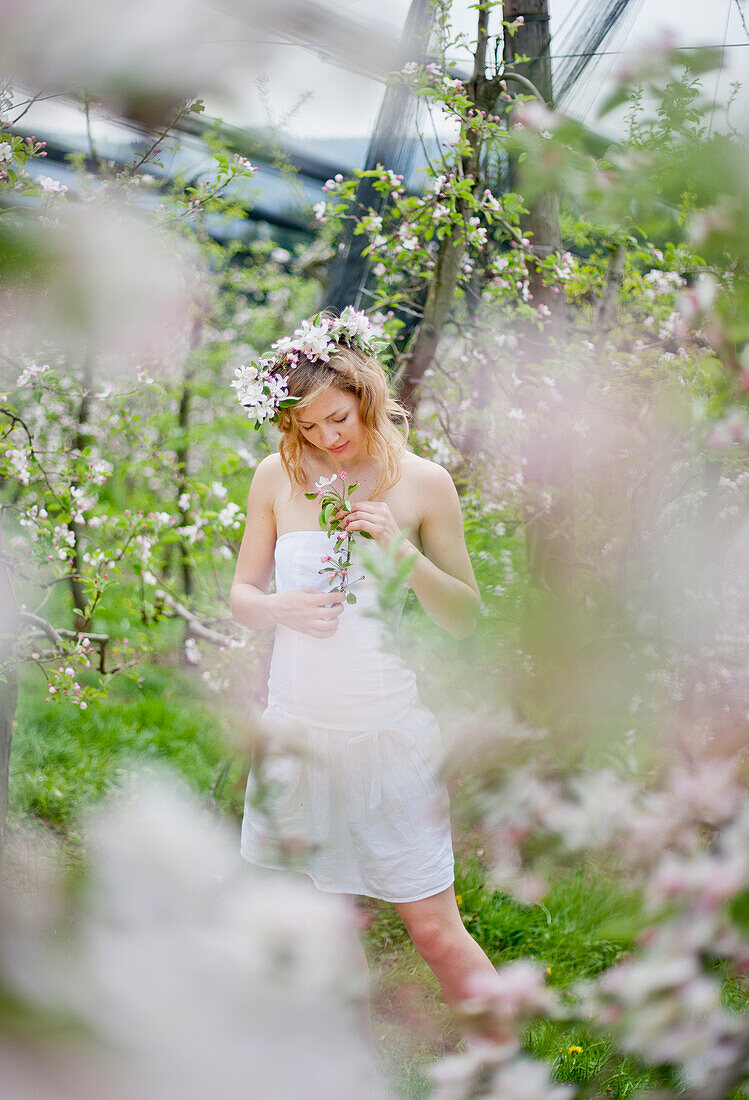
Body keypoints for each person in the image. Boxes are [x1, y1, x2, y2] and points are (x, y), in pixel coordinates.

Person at [229, 309, 500, 1024]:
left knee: (435, 932)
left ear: (366, 396)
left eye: (339, 419)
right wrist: (279, 608)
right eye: (308, 427)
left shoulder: (422, 483)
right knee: (319, 929)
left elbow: (465, 617)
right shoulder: (274, 477)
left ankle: (506, 1062)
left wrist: (401, 555)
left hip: (385, 739)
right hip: (294, 735)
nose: (327, 439)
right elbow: (242, 596)